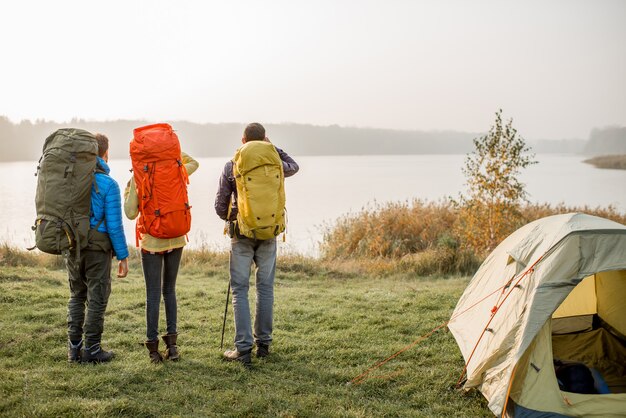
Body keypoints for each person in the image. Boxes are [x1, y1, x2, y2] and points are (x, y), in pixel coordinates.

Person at [214, 122, 299, 366]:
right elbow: (294, 165)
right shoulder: (277, 164)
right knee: (265, 288)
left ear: (243, 140)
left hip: (241, 233)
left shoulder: (233, 165)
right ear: (265, 139)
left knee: (240, 289)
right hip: (269, 232)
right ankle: (263, 344)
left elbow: (220, 207)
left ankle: (243, 350)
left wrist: (234, 216)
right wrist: (271, 148)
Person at [124, 150, 198, 363]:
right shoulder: (177, 171)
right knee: (169, 290)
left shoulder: (138, 176)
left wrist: (133, 182)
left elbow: (130, 213)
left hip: (152, 242)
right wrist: (172, 155)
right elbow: (194, 162)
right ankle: (173, 347)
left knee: (153, 294)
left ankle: (153, 350)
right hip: (176, 239)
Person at [67, 133, 129, 364]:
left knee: (76, 296)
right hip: (97, 250)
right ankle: (92, 350)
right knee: (97, 298)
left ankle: (74, 350)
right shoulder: (108, 184)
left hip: (73, 247)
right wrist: (123, 256)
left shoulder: (70, 180)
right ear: (105, 154)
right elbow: (114, 226)